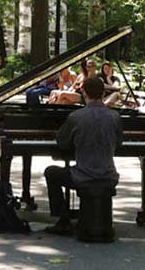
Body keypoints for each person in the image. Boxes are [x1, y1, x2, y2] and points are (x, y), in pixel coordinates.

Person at [44, 77, 123, 235]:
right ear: (104, 92)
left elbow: (62, 143)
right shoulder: (115, 116)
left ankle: (63, 219)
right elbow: (119, 144)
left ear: (84, 92)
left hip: (83, 175)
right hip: (109, 175)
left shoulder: (76, 116)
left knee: (51, 172)